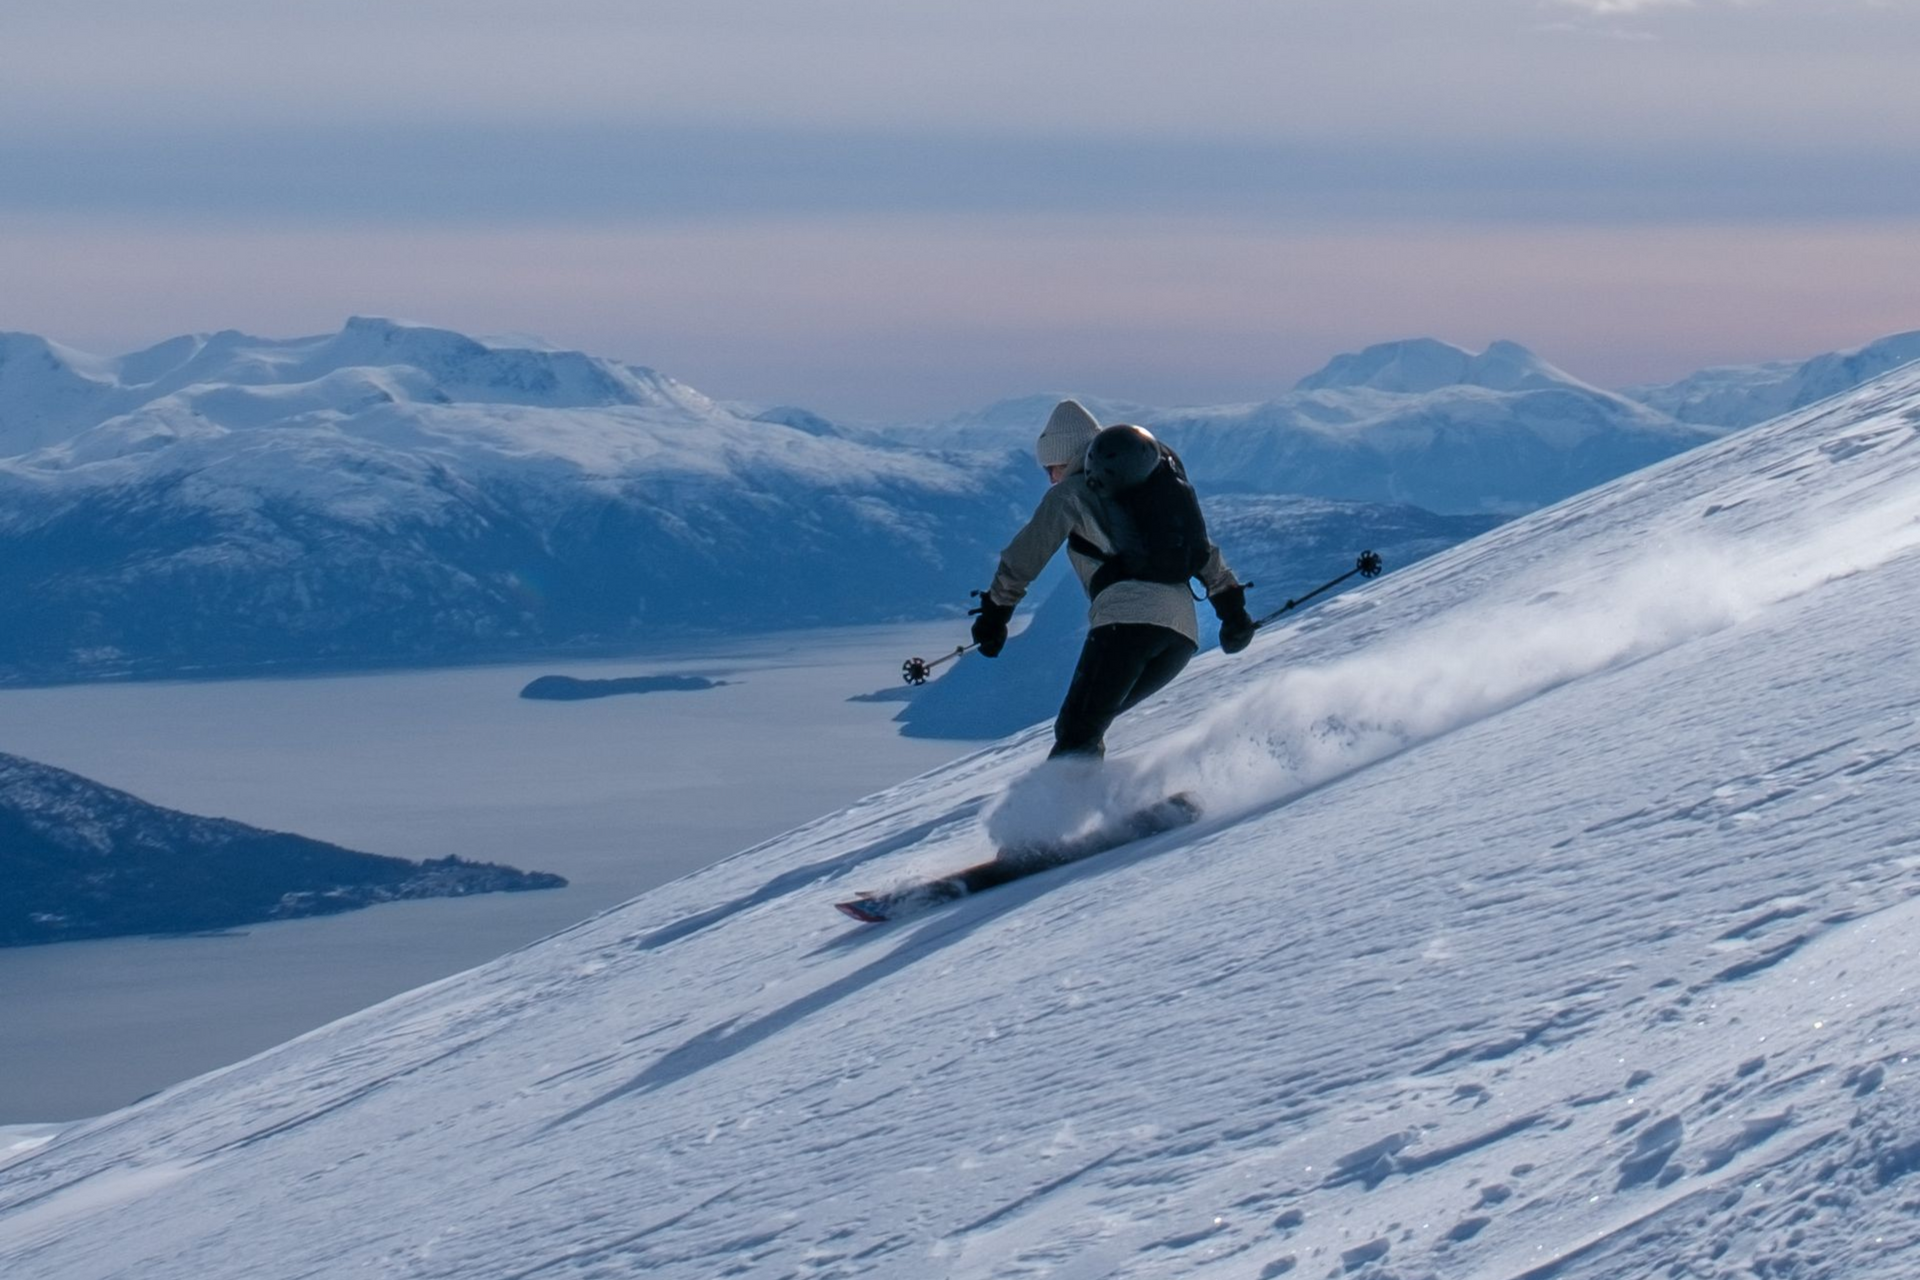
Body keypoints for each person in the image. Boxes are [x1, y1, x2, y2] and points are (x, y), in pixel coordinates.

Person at [969, 399, 1255, 759]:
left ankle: (1066, 813)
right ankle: (1115, 807)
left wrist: (995, 614)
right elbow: (1202, 551)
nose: (1050, 477)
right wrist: (1232, 612)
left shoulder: (1070, 493)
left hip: (1127, 624)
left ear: (1067, 458)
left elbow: (1024, 556)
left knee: (1077, 731)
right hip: (1180, 637)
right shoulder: (1149, 490)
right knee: (1086, 725)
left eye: (1051, 467)